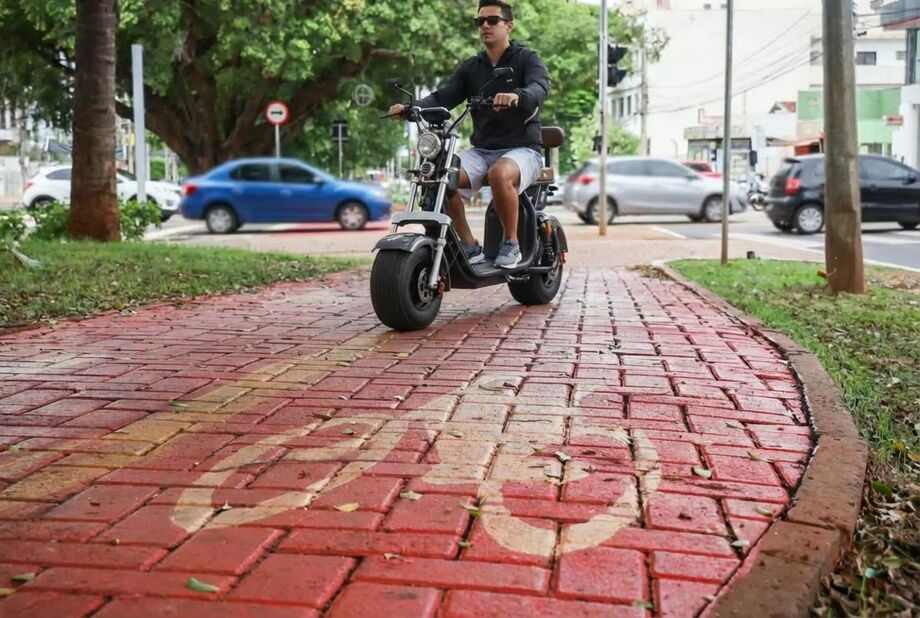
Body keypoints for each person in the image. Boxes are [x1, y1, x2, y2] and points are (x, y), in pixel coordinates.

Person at [388, 0, 550, 269]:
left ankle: (511, 243)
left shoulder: (526, 59)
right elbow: (444, 97)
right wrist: (410, 108)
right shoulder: (472, 67)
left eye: (492, 20)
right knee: (442, 172)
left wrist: (516, 96)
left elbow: (539, 88)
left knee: (500, 173)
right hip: (483, 150)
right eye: (480, 22)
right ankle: (469, 245)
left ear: (509, 25)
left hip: (523, 150)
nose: (485, 26)